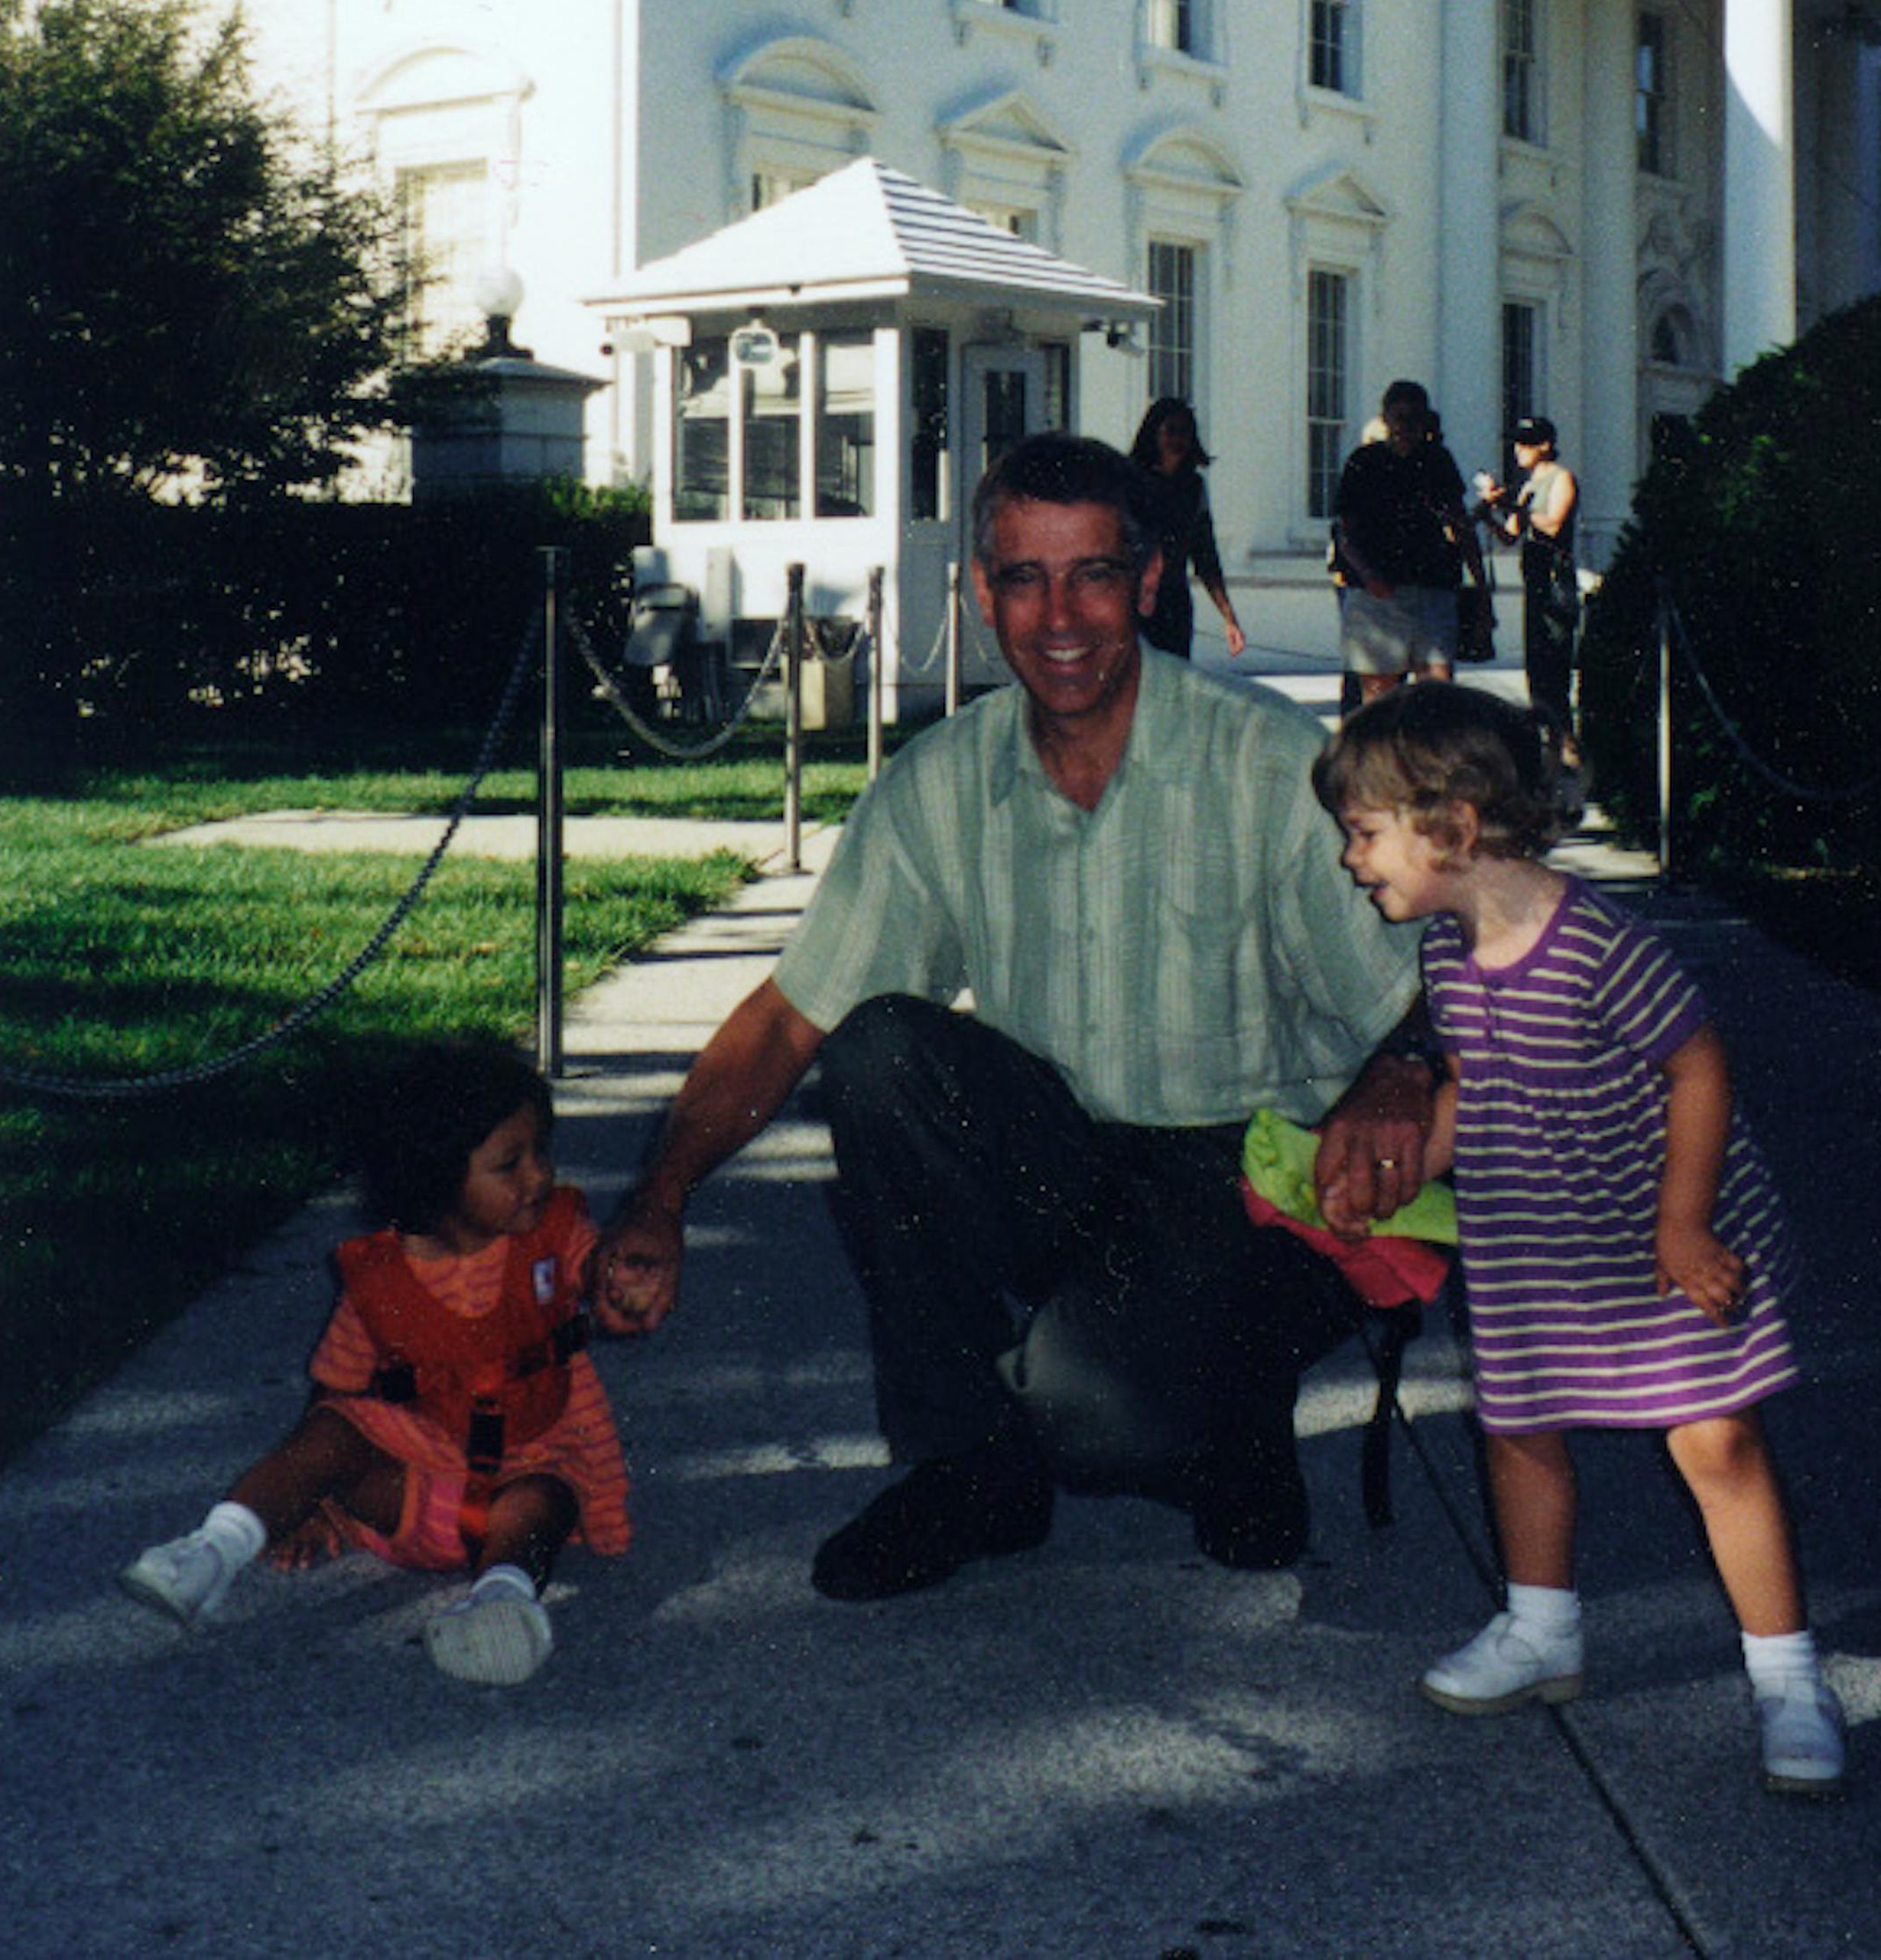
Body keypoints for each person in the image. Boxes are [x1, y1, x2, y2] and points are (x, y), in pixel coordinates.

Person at [594, 432, 1432, 1602]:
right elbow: (793, 1016)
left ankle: (1229, 1418)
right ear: (982, 592)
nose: (1059, 615)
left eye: (1092, 571)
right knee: (882, 1048)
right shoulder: (938, 781)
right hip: (1071, 1160)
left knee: (1103, 1420)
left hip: (1247, 1181)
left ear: (1147, 582)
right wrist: (661, 1195)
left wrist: (1407, 1064)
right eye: (1023, 577)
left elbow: (1421, 998)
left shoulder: (1269, 766)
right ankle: (973, 1470)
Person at [1312, 685, 1844, 1797]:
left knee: (1715, 1444)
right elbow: (1476, 1087)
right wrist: (1398, 1171)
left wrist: (1683, 1220)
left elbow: (1698, 1067)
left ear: (1451, 827)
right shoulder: (1452, 956)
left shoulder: (1600, 944)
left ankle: (1789, 1675)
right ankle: (1542, 1628)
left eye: (1364, 832)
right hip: (1535, 1240)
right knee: (1518, 1429)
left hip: (1657, 1233)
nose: (1353, 860)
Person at [120, 1039, 630, 1686]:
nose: (540, 1176)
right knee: (332, 1432)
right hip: (405, 1495)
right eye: (510, 1163)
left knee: (548, 1499)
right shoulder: (379, 1284)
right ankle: (215, 1550)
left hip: (518, 1478)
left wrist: (623, 1275)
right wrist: (310, 1502)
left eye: (541, 1151)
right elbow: (331, 1404)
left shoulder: (554, 1236)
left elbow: (595, 1262)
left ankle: (500, 1603)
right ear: (435, 1177)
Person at [1332, 378, 1491, 700]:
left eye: (1415, 419)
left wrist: (1481, 586)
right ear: (1386, 420)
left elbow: (1460, 525)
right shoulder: (1363, 462)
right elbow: (1345, 531)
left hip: (1431, 590)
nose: (1406, 427)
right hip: (1377, 597)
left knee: (1435, 696)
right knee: (1380, 702)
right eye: (1399, 418)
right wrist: (1369, 575)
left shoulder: (1438, 461)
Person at [1473, 416, 1580, 761]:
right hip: (1534, 589)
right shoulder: (1528, 486)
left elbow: (1552, 524)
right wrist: (1489, 514)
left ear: (1545, 445)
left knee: (1555, 676)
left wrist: (1512, 506)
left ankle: (1568, 753)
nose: (1518, 450)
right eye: (1516, 443)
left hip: (1555, 586)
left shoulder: (1562, 479)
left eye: (1526, 443)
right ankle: (1548, 755)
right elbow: (1510, 535)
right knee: (1537, 677)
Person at [1128, 395, 1245, 661]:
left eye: (1186, 433)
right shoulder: (1131, 481)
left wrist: (1228, 617)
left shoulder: (1193, 488)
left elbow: (1206, 556)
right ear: (1154, 433)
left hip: (1174, 601)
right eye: (1171, 431)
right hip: (1132, 600)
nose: (1179, 440)